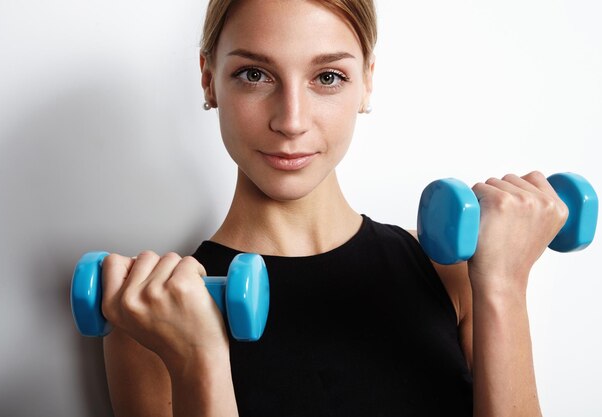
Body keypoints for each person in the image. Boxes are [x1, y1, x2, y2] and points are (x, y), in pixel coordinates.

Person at [100, 1, 568, 416]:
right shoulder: (151, 314)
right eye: (255, 74)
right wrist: (197, 359)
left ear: (366, 82)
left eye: (327, 77)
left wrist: (504, 286)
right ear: (209, 79)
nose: (291, 121)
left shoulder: (453, 277)